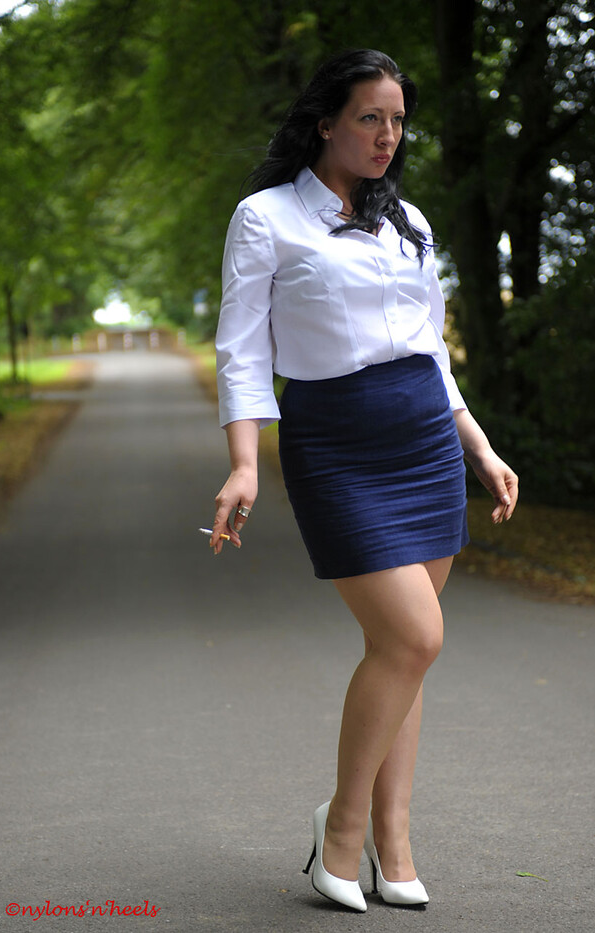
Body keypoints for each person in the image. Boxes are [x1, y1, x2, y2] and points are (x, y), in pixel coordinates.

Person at [209, 48, 518, 913]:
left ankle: (394, 840)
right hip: (336, 445)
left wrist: (478, 446)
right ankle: (340, 829)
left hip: (424, 441)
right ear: (325, 124)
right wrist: (244, 460)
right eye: (369, 118)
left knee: (400, 650)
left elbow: (432, 350)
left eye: (397, 121)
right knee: (414, 636)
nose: (387, 136)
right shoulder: (267, 217)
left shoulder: (408, 220)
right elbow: (241, 347)